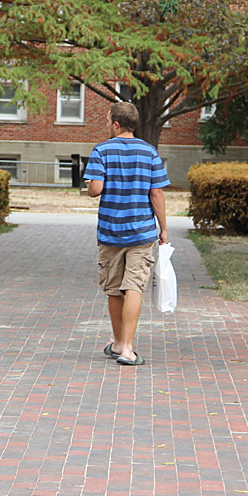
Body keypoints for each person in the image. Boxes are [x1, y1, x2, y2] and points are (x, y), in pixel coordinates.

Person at [84, 101, 170, 366]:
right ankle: (128, 350)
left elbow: (96, 189)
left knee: (113, 289)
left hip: (111, 233)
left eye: (107, 120)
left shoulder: (101, 150)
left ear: (116, 124)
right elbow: (156, 193)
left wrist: (89, 186)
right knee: (134, 287)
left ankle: (119, 342)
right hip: (141, 233)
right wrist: (164, 230)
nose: (106, 125)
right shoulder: (150, 152)